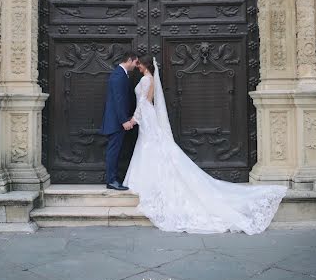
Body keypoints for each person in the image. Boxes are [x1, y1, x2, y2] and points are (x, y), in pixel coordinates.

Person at [123, 54, 288, 235]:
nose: (137, 66)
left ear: (145, 65)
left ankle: (147, 182)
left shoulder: (147, 80)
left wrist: (134, 119)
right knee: (150, 147)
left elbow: (144, 103)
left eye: (139, 64)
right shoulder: (150, 78)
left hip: (146, 116)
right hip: (148, 117)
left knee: (150, 147)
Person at [99, 51, 139, 191]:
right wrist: (124, 120)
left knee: (116, 151)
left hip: (118, 121)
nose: (136, 65)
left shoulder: (121, 74)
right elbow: (118, 100)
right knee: (113, 151)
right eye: (135, 62)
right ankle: (111, 181)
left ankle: (115, 178)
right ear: (129, 60)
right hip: (116, 122)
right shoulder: (118, 76)